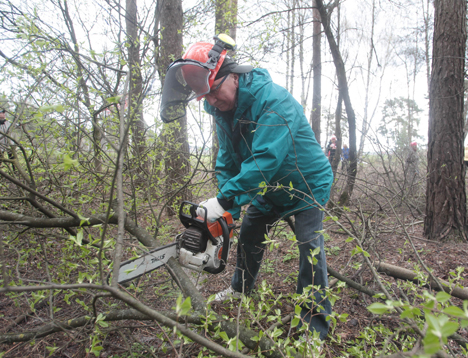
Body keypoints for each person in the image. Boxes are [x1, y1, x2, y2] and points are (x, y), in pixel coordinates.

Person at [160, 34, 333, 343]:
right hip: (269, 188)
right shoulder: (223, 113)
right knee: (251, 233)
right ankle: (241, 289)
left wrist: (226, 197)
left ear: (233, 77)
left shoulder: (273, 101)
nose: (212, 101)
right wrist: (226, 208)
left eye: (214, 91)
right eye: (206, 97)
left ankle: (314, 326)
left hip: (306, 183)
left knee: (310, 249)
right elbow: (228, 160)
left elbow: (266, 160)